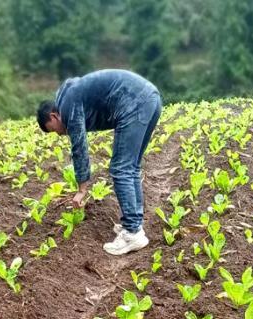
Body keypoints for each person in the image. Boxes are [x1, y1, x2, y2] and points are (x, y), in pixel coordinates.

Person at [36, 69, 162, 255]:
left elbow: (79, 147)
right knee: (131, 168)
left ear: (54, 117)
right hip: (150, 98)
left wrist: (82, 189)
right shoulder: (71, 95)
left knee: (121, 169)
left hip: (134, 103)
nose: (60, 134)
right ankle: (133, 225)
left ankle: (132, 233)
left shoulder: (67, 105)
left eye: (54, 130)